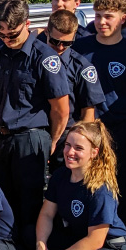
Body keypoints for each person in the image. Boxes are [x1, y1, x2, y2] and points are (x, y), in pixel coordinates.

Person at [0, 0, 70, 250]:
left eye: (12, 33)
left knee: (30, 210)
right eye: (1, 32)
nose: (6, 38)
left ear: (28, 25)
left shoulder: (44, 57)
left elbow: (61, 108)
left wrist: (52, 141)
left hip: (31, 139)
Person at [72, 0, 126, 248]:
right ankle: (85, 242)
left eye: (109, 17)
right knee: (85, 187)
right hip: (86, 130)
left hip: (120, 130)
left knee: (119, 190)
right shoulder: (81, 48)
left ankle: (123, 245)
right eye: (99, 16)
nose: (102, 22)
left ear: (123, 18)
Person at [36, 121, 126, 250]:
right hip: (80, 240)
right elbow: (46, 215)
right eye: (68, 145)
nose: (70, 152)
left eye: (78, 148)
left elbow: (95, 240)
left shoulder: (100, 189)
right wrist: (41, 246)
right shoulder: (60, 176)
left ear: (94, 153)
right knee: (29, 236)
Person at [44, 9, 105, 173]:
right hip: (37, 133)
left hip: (66, 138)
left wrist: (81, 144)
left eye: (67, 43)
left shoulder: (82, 68)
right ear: (46, 32)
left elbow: (88, 114)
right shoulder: (34, 59)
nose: (60, 47)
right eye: (55, 42)